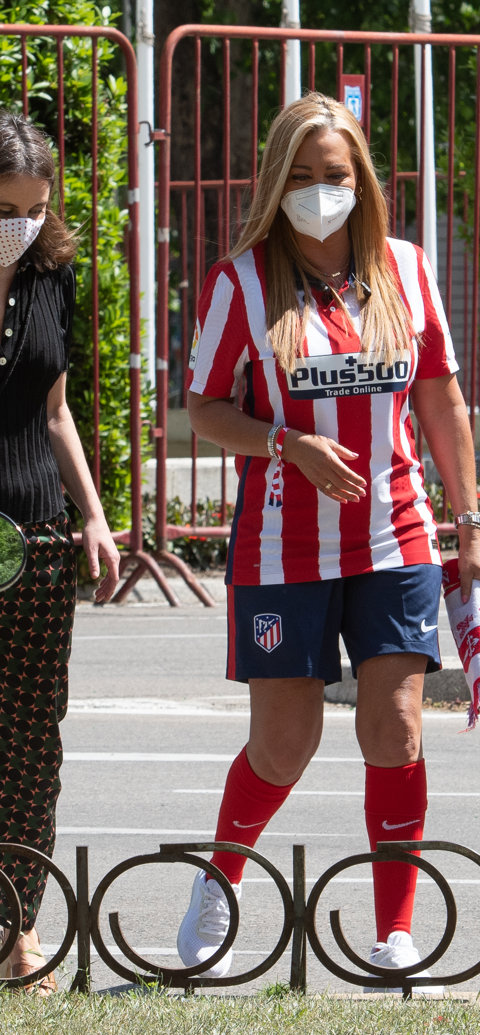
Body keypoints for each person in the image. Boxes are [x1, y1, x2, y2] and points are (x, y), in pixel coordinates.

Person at [177, 91, 480, 989]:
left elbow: (440, 400)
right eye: (305, 177)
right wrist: (285, 441)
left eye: (338, 175)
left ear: (363, 181)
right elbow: (202, 408)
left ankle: (393, 934)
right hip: (282, 545)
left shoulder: (406, 268)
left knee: (395, 730)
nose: (322, 192)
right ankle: (219, 884)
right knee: (285, 745)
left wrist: (469, 531)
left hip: (396, 534)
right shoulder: (240, 280)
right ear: (277, 182)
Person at [0, 109, 120, 994]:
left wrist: (94, 515)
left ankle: (19, 927)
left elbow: (55, 410)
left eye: (35, 209)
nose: (23, 224)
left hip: (36, 537)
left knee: (33, 740)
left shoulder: (54, 275)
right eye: (7, 207)